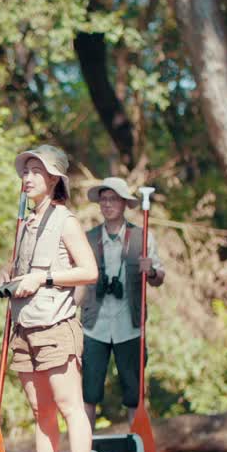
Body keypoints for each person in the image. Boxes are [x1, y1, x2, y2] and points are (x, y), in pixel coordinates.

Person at [0, 145, 99, 452]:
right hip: (24, 328)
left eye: (35, 171)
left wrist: (42, 279)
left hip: (57, 326)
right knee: (40, 410)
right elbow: (22, 272)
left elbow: (89, 272)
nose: (27, 178)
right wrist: (10, 275)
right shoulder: (25, 224)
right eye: (25, 171)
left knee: (70, 406)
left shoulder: (66, 221)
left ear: (54, 178)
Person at [78, 177, 165, 426]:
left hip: (131, 326)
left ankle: (137, 447)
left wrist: (151, 270)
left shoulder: (142, 237)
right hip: (94, 326)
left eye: (113, 198)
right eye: (103, 199)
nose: (107, 204)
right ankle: (87, 450)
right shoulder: (88, 238)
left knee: (134, 394)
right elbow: (79, 283)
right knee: (89, 393)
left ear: (125, 203)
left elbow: (158, 278)